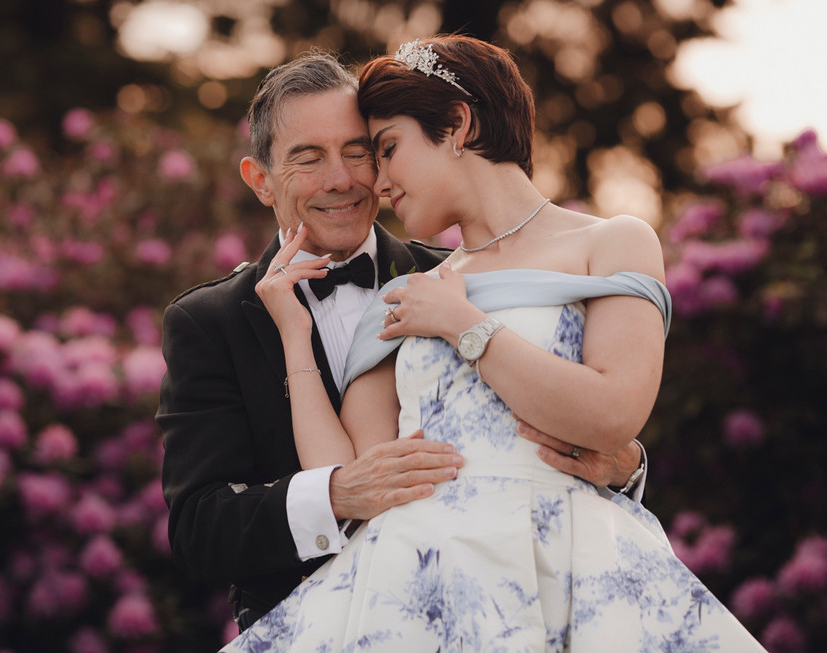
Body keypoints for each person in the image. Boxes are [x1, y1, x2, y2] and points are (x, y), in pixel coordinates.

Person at [220, 36, 766, 650]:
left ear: (457, 125)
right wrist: (295, 334)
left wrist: (463, 324)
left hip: (569, 561)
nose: (377, 179)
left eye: (387, 148)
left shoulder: (613, 241)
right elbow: (348, 480)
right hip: (416, 582)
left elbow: (614, 414)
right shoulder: (410, 292)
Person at [157, 50, 648, 634]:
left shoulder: (445, 279)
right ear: (260, 180)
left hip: (551, 580)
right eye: (307, 159)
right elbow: (200, 531)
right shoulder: (208, 320)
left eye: (362, 152)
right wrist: (337, 494)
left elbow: (590, 403)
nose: (343, 179)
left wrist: (621, 465)